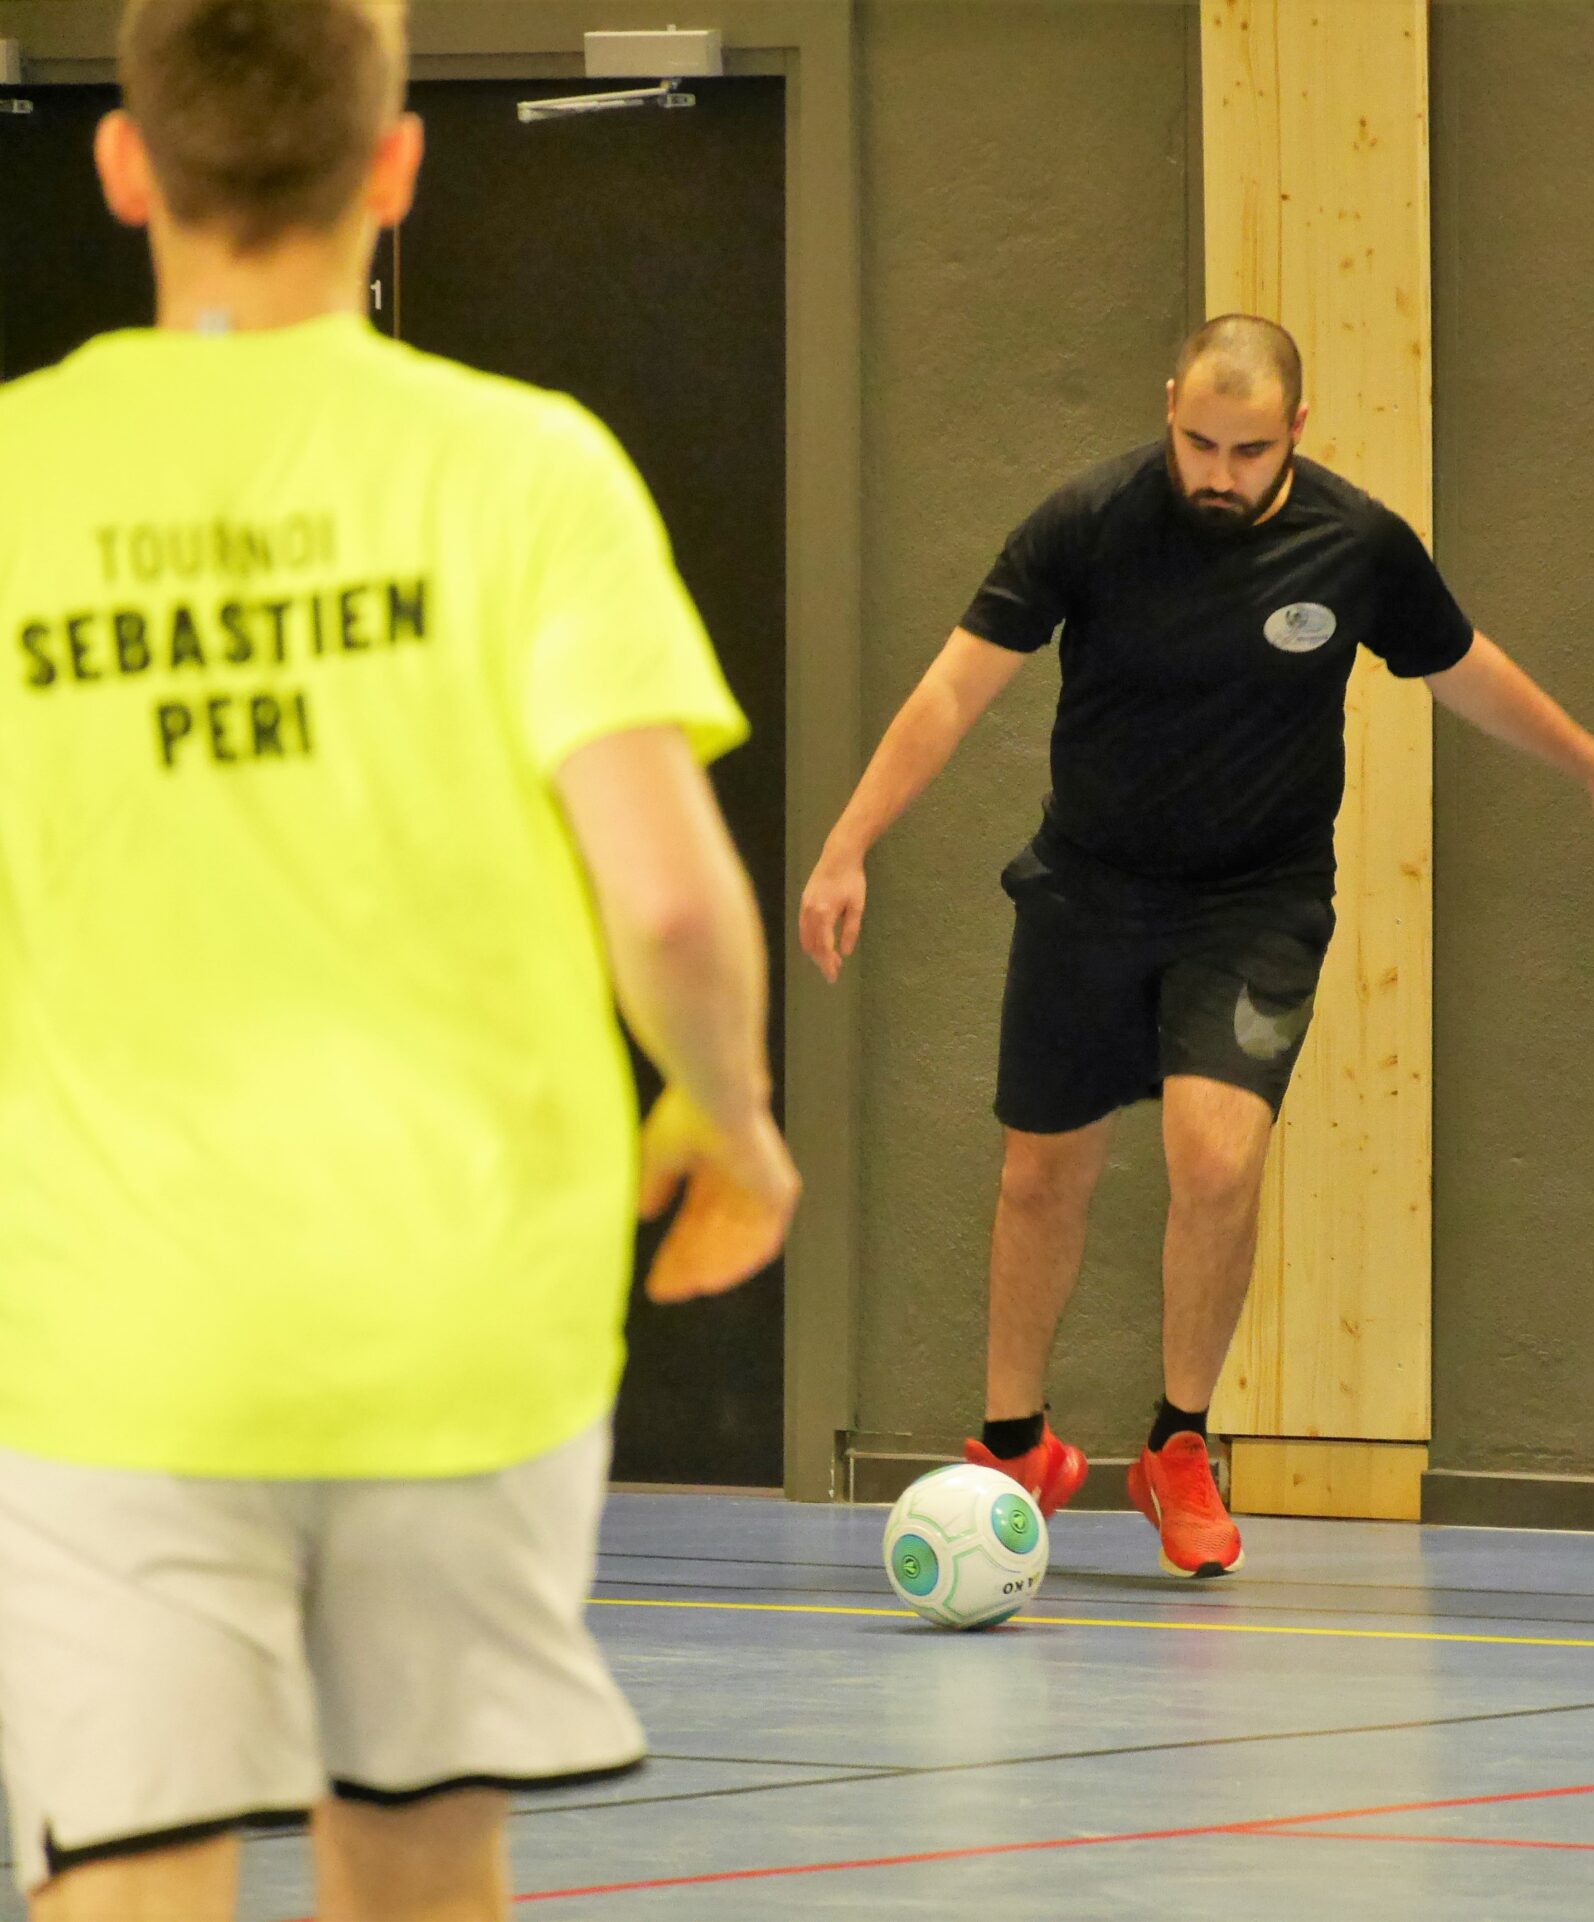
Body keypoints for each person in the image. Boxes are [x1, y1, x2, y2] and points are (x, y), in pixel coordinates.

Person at [0, 3, 800, 1916]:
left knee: (130, 1863)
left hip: (113, 1319)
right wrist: (729, 1112)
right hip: (463, 1318)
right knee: (427, 1853)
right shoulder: (528, 471)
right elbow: (673, 903)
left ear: (127, 165)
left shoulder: (17, 472)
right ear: (395, 165)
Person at [799, 314, 1594, 1578]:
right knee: (1042, 1172)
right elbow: (951, 687)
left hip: (1254, 903)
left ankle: (1177, 1443)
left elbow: (1462, 667)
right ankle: (1015, 1440)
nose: (1217, 469)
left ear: (1294, 433)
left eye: (1248, 449)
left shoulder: (1353, 545)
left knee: (1214, 1155)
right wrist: (846, 844)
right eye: (1197, 439)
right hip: (1087, 889)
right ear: (1168, 409)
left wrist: (1589, 764)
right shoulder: (1087, 520)